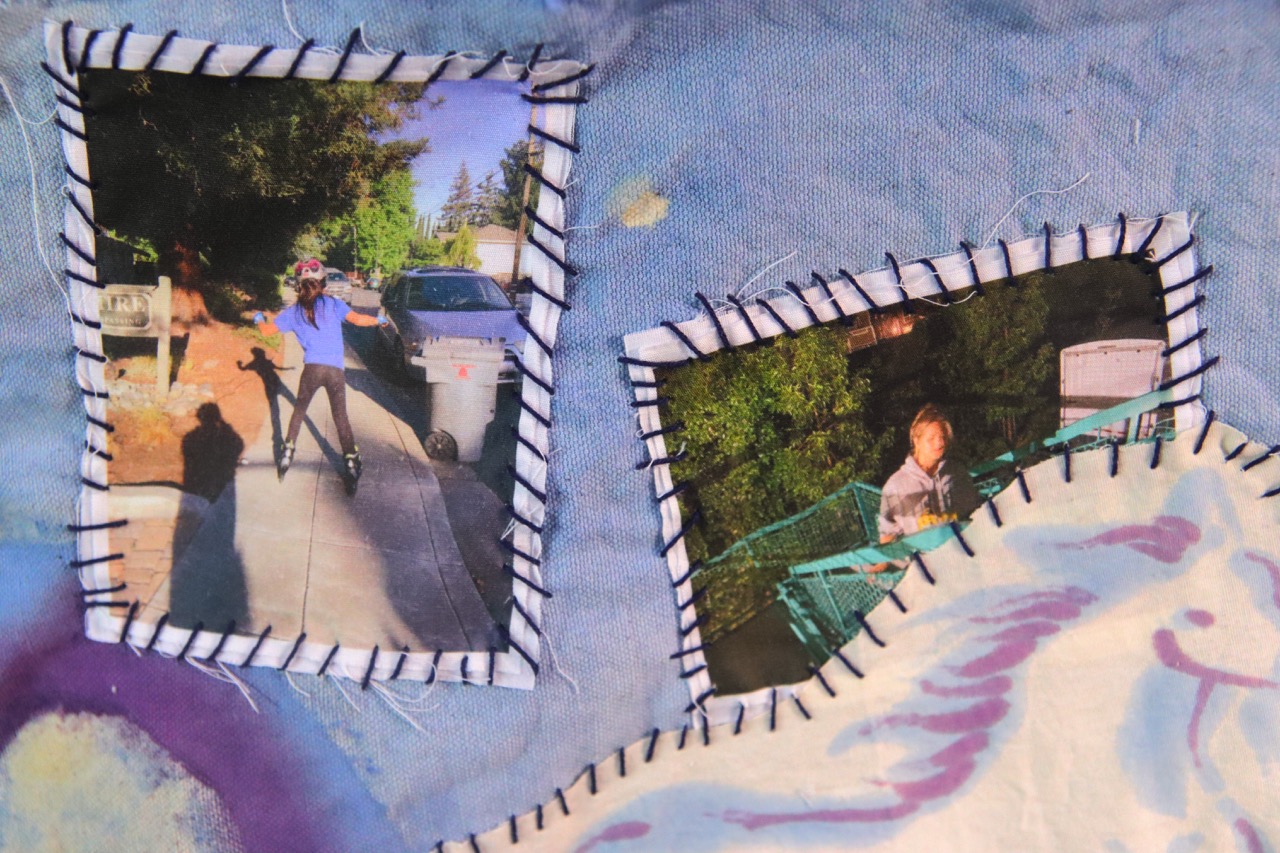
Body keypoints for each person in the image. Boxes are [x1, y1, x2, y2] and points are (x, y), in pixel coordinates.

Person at [253, 258, 387, 494]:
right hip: (335, 371)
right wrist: (378, 320)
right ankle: (351, 461)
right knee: (340, 417)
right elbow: (358, 319)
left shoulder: (293, 311)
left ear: (298, 285)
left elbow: (266, 331)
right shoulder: (334, 304)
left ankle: (287, 452)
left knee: (299, 410)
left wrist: (259, 319)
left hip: (312, 370)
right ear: (323, 282)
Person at [878, 404, 981, 545]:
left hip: (959, 549)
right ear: (917, 440)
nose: (939, 443)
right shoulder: (896, 486)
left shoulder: (956, 473)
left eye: (942, 437)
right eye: (931, 438)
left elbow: (974, 511)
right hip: (923, 556)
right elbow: (887, 537)